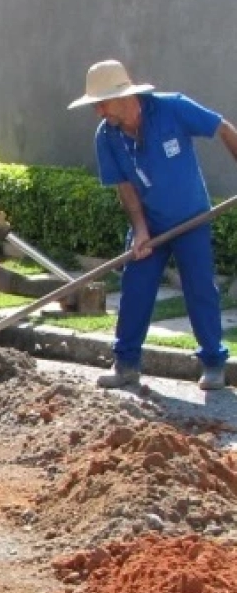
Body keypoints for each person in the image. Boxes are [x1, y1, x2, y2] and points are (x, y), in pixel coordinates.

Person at [69, 59, 237, 391]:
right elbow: (126, 187)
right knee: (136, 288)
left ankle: (214, 364)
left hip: (192, 218)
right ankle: (126, 364)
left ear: (123, 96)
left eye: (101, 104)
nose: (99, 112)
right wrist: (141, 230)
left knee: (200, 288)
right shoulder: (107, 136)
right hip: (151, 224)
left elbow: (223, 128)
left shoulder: (172, 108)